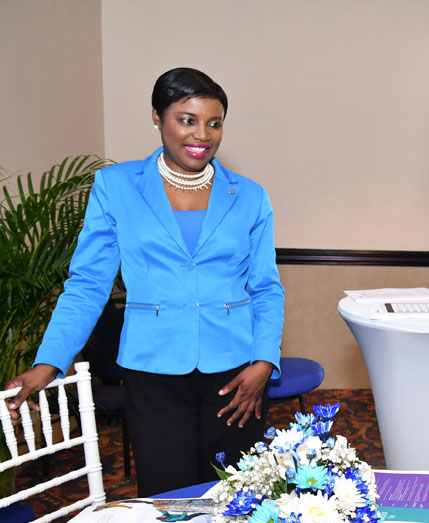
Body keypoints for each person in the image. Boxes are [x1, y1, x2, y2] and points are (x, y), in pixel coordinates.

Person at [4, 68, 284, 497]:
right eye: (187, 120)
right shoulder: (116, 186)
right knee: (167, 500)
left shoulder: (249, 195)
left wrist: (263, 362)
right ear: (157, 116)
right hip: (153, 371)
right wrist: (49, 363)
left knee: (237, 499)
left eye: (214, 123)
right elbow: (88, 284)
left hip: (237, 374)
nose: (202, 135)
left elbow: (265, 288)